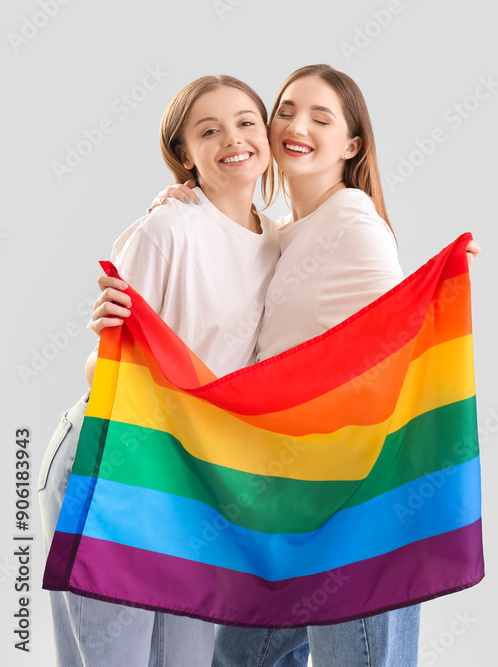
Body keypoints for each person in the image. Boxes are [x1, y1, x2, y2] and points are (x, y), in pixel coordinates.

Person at [141, 64, 480, 667]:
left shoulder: (351, 220)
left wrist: (437, 286)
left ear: (351, 147)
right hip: (297, 506)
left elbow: (399, 338)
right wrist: (179, 200)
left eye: (320, 118)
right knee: (243, 655)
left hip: (355, 503)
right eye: (287, 110)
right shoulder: (281, 236)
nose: (297, 126)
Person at [38, 74, 280, 666]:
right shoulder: (169, 229)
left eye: (247, 122)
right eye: (209, 130)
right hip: (115, 461)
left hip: (191, 486)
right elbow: (109, 366)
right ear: (184, 155)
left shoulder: (279, 244)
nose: (234, 138)